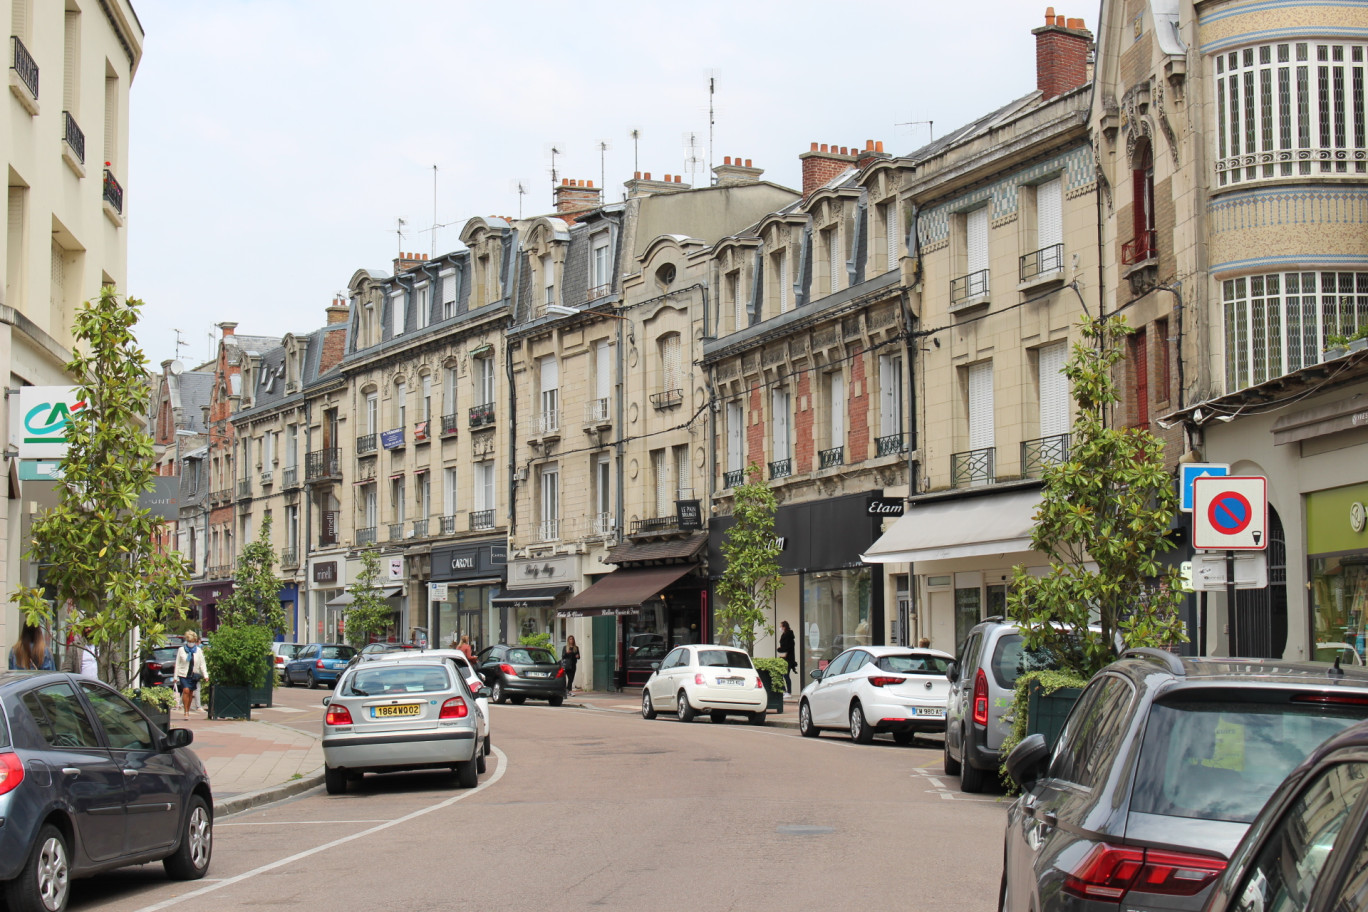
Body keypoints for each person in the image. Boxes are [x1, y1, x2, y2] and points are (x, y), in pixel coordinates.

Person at [174, 631, 209, 720]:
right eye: (189, 641)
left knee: (190, 693)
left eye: (193, 641)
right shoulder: (181, 650)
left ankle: (188, 710)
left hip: (193, 675)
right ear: (187, 641)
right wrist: (175, 677)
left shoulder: (198, 650)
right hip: (183, 674)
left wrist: (205, 675)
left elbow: (202, 663)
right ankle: (185, 712)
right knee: (186, 690)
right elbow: (177, 663)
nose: (191, 643)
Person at [778, 620, 797, 694]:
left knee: (785, 675)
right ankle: (786, 691)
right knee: (783, 675)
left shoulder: (788, 637)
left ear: (784, 627)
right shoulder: (786, 636)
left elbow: (787, 647)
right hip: (786, 658)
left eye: (781, 626)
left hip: (788, 659)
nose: (780, 628)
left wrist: (779, 649)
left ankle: (788, 692)